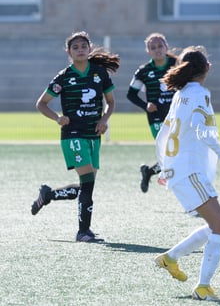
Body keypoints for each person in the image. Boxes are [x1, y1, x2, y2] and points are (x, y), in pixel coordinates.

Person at [154, 46, 220, 301]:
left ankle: (170, 258)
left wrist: (163, 167)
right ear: (207, 68)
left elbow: (161, 135)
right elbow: (201, 129)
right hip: (189, 172)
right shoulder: (199, 94)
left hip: (179, 171)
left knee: (215, 226)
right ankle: (203, 286)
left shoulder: (181, 94)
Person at [31, 31, 120, 243]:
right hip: (73, 135)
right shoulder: (63, 77)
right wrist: (57, 118)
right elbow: (41, 103)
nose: (80, 50)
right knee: (87, 183)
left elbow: (111, 102)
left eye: (83, 46)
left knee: (86, 186)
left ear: (89, 49)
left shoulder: (99, 74)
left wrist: (104, 120)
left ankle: (49, 194)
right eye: (75, 47)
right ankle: (83, 232)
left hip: (93, 134)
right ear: (68, 52)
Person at [127, 33, 176, 193]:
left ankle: (149, 171)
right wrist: (145, 105)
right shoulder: (144, 71)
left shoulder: (177, 65)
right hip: (156, 118)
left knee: (177, 152)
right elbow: (131, 94)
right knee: (169, 151)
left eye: (160, 46)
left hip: (177, 116)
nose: (157, 50)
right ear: (148, 52)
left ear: (166, 47)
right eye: (153, 48)